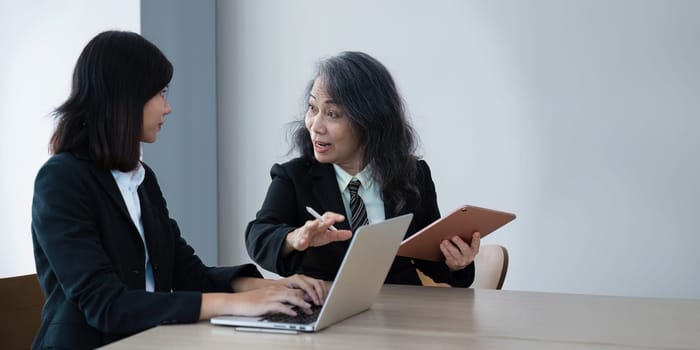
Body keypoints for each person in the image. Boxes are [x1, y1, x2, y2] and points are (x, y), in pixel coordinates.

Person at [31, 31, 327, 349]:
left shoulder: (141, 180)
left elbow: (187, 272)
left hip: (152, 340)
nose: (167, 107)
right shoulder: (61, 180)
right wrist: (238, 305)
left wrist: (273, 288)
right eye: (159, 93)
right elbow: (106, 305)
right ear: (125, 98)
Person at [245, 51, 480, 287]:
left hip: (400, 313)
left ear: (368, 120)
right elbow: (259, 237)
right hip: (326, 311)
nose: (315, 126)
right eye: (312, 108)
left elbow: (432, 260)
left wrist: (456, 262)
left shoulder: (413, 175)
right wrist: (294, 238)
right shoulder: (294, 177)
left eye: (332, 114)